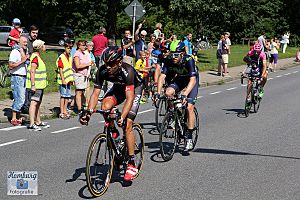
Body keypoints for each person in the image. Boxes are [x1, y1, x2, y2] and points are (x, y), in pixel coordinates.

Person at [80, 46, 143, 181]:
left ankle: (131, 163)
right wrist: (88, 113)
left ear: (119, 62)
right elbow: (96, 93)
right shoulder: (103, 70)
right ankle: (113, 130)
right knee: (105, 106)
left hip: (134, 90)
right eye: (106, 63)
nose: (107, 67)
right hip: (118, 88)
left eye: (111, 64)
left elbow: (130, 98)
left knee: (127, 125)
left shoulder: (128, 71)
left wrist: (123, 117)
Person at [156, 41, 199, 151]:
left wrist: (185, 94)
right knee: (168, 93)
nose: (173, 57)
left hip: (191, 80)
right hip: (180, 79)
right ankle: (174, 113)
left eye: (176, 54)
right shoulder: (169, 60)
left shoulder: (189, 60)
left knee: (189, 106)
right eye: (171, 54)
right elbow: (162, 77)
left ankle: (189, 137)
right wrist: (158, 92)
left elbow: (193, 80)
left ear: (182, 54)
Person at [26, 40, 49, 131]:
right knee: (33, 103)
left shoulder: (38, 56)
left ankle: (38, 121)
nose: (44, 46)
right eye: (43, 45)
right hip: (36, 85)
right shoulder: (35, 57)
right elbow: (32, 71)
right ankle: (32, 123)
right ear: (39, 47)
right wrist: (33, 85)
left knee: (38, 103)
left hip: (40, 85)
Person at [8, 36, 29, 126]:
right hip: (17, 77)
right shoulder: (14, 52)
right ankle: (13, 118)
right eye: (24, 42)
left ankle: (18, 117)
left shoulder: (24, 51)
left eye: (26, 42)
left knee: (21, 98)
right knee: (19, 98)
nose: (26, 43)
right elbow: (10, 65)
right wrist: (22, 61)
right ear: (19, 42)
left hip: (24, 77)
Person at [22, 24, 39, 114]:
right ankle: (25, 106)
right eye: (33, 33)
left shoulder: (36, 41)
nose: (35, 35)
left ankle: (29, 105)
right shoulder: (26, 40)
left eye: (36, 33)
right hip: (26, 63)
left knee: (30, 86)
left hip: (33, 64)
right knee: (27, 86)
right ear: (30, 32)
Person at [56, 42, 74, 119]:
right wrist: (63, 79)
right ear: (64, 48)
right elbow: (60, 69)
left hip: (69, 79)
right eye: (68, 48)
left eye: (70, 48)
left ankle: (65, 110)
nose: (69, 50)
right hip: (63, 80)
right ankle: (61, 111)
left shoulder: (70, 56)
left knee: (67, 96)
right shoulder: (61, 57)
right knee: (63, 96)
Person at [72, 40, 91, 113]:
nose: (85, 47)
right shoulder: (77, 54)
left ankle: (79, 106)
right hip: (79, 75)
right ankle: (79, 109)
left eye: (85, 45)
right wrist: (88, 64)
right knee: (79, 92)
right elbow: (77, 66)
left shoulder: (83, 53)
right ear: (79, 46)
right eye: (83, 45)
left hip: (84, 75)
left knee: (82, 91)